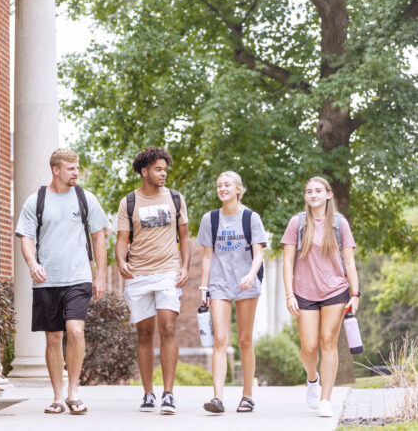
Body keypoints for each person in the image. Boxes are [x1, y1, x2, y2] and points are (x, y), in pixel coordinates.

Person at [15, 148, 109, 415]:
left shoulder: (84, 198)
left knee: (76, 331)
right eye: (70, 168)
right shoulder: (36, 200)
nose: (76, 172)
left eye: (77, 167)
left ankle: (73, 392)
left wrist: (100, 275)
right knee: (54, 338)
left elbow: (99, 236)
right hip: (47, 281)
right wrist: (32, 264)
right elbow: (26, 237)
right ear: (56, 170)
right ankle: (57, 396)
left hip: (78, 277)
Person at [115, 147, 190, 415]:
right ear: (144, 171)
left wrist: (184, 266)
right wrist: (121, 261)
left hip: (168, 271)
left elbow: (184, 236)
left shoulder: (175, 198)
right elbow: (122, 240)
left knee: (168, 328)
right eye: (158, 169)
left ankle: (168, 394)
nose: (163, 174)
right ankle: (148, 394)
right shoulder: (129, 202)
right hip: (139, 275)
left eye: (165, 169)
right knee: (144, 333)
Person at [281, 176, 360, 418]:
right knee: (309, 347)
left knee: (328, 342)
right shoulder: (297, 223)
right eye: (309, 191)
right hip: (304, 292)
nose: (313, 194)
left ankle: (326, 399)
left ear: (328, 194)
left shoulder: (339, 223)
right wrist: (289, 295)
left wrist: (355, 293)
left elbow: (349, 260)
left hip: (335, 291)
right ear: (305, 197)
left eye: (318, 190)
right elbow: (287, 260)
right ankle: (312, 379)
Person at [196, 171, 266, 413]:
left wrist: (251, 273)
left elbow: (259, 254)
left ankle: (247, 395)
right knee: (220, 340)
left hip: (246, 284)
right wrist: (203, 287)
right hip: (219, 284)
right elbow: (207, 256)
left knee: (245, 340)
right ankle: (217, 397)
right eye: (219, 185)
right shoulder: (210, 219)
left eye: (227, 184)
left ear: (238, 189)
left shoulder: (251, 218)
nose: (222, 188)